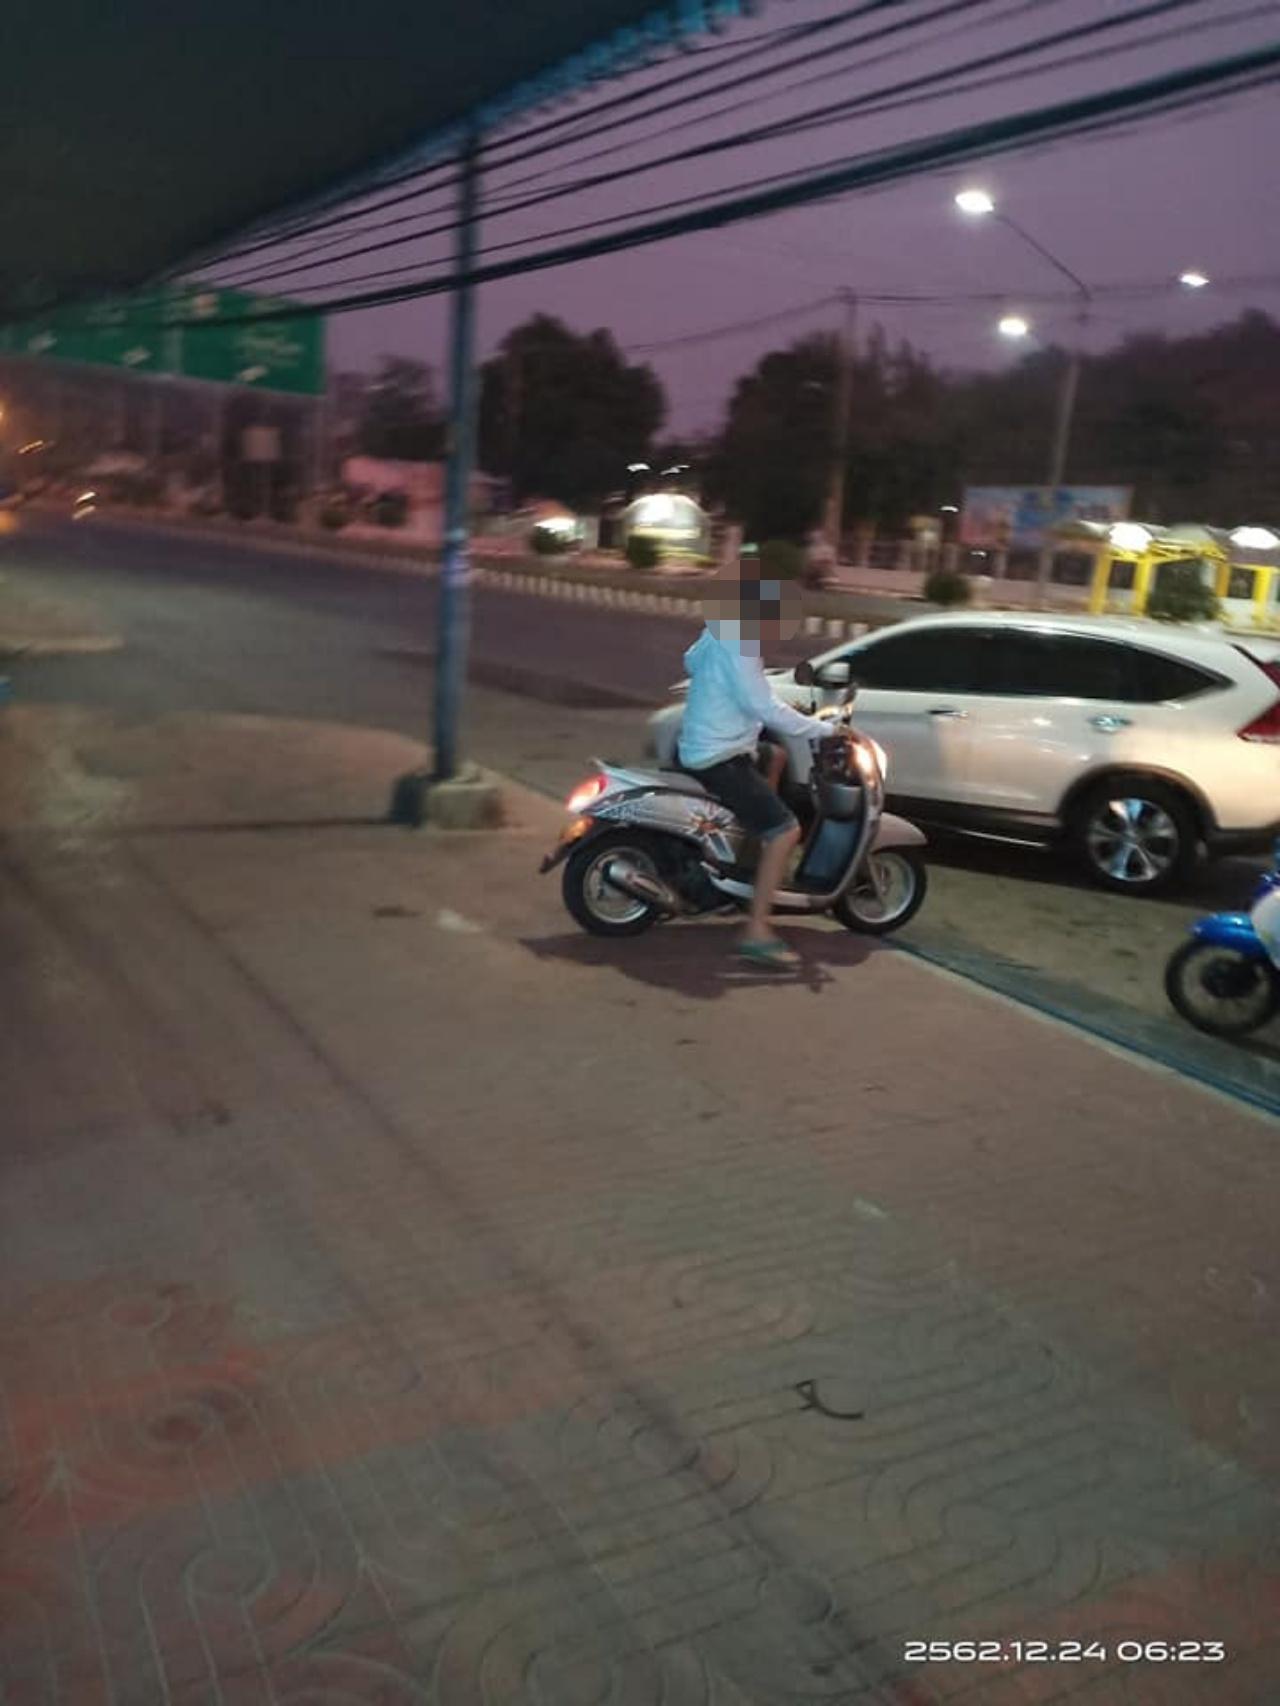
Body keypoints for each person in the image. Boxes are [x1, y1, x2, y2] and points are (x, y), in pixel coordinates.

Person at [677, 574, 829, 970]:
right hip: (719, 756)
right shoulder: (743, 644)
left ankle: (746, 864)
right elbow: (763, 707)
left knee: (774, 756)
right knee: (787, 831)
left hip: (699, 745)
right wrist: (825, 730)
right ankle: (757, 931)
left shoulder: (718, 634)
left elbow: (694, 664)